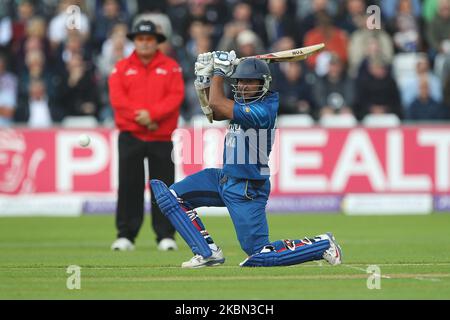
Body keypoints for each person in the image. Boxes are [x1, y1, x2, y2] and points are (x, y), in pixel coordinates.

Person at [150, 51, 343, 268]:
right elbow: (213, 112)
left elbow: (217, 104)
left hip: (247, 188)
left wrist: (218, 71)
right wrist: (204, 81)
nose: (243, 86)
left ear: (264, 84)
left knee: (260, 255)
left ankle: (322, 244)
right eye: (240, 81)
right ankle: (207, 252)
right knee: (171, 197)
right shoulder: (242, 103)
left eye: (250, 82)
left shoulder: (263, 110)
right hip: (224, 178)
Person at [108, 20, 184, 251]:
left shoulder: (171, 67)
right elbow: (118, 99)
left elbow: (175, 97)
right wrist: (141, 117)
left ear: (156, 42)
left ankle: (165, 235)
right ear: (135, 41)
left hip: (160, 135)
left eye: (149, 39)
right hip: (131, 135)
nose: (144, 43)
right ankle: (126, 235)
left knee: (163, 187)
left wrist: (152, 115)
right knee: (129, 185)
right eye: (140, 39)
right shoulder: (121, 67)